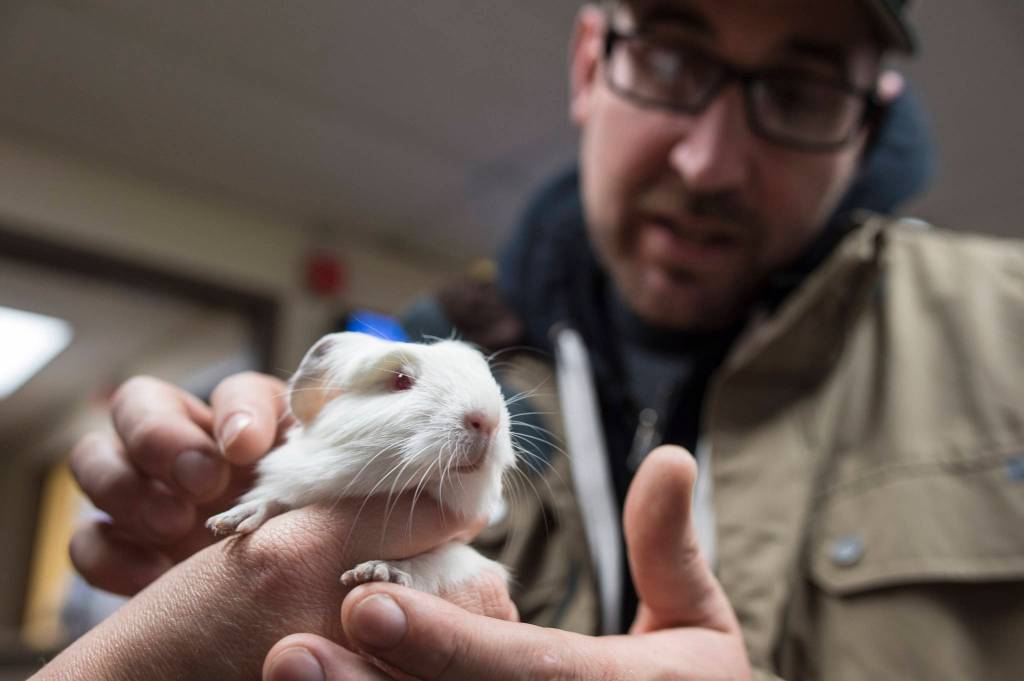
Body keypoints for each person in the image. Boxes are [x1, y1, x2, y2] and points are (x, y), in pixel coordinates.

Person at [34, 0, 1024, 679]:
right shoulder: (443, 338)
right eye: (674, 59)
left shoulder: (1004, 325)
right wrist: (204, 556)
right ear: (592, 61)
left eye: (801, 92)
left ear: (870, 123)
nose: (711, 161)